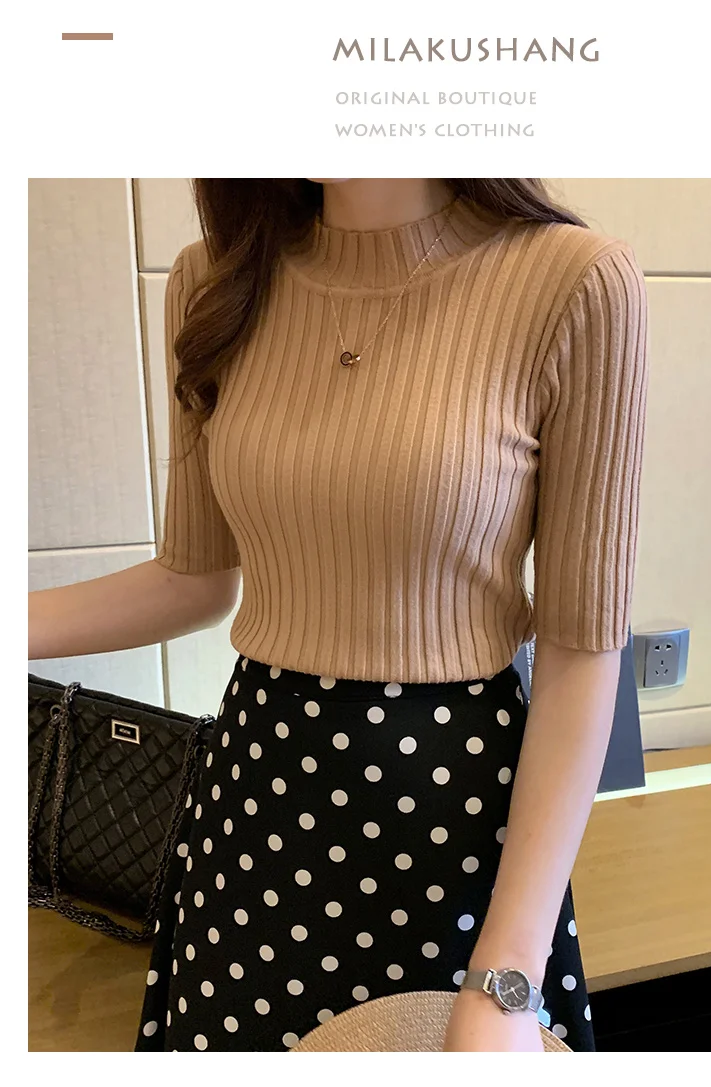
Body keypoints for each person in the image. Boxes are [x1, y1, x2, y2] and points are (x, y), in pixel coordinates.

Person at [28, 178, 649, 1053]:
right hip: (254, 803)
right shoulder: (213, 280)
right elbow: (191, 578)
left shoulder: (576, 282)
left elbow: (583, 648)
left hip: (457, 820)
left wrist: (508, 980)